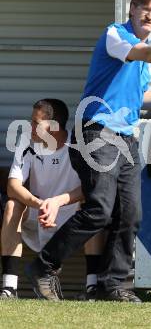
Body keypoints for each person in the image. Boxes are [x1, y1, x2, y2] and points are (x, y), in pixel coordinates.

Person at [25, 0, 151, 302]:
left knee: (130, 214)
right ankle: (43, 265)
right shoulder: (115, 35)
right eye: (146, 8)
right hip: (96, 129)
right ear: (133, 9)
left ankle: (116, 284)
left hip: (126, 136)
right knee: (99, 209)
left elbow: (141, 95)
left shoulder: (148, 54)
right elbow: (140, 52)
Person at [0, 99, 104, 299]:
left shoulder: (79, 145)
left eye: (36, 124)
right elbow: (13, 187)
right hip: (38, 212)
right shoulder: (27, 143)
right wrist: (40, 204)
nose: (30, 128)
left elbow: (91, 186)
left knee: (94, 207)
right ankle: (9, 288)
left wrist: (57, 202)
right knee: (12, 205)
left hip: (71, 215)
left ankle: (93, 288)